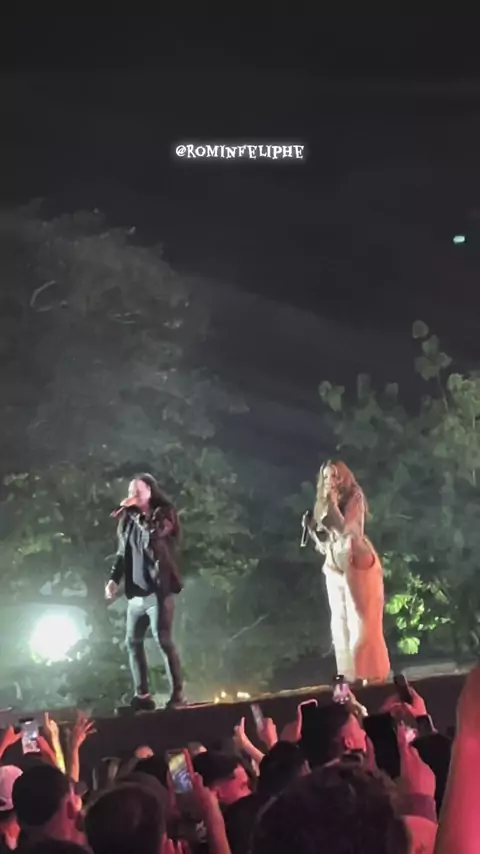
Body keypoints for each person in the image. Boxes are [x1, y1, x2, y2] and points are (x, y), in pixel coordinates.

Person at [304, 460, 390, 683]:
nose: (330, 481)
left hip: (355, 559)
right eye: (326, 476)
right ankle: (349, 677)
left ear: (344, 477)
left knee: (361, 620)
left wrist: (332, 507)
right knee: (339, 625)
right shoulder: (323, 504)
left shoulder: (354, 497)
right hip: (334, 564)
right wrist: (313, 532)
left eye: (335, 475)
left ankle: (371, 675)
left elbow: (349, 532)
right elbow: (327, 545)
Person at [105, 474, 184, 711]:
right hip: (136, 593)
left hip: (158, 591)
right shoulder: (128, 521)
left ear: (150, 491)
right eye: (131, 492)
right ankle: (142, 695)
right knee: (133, 642)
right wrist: (113, 579)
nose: (133, 496)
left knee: (163, 640)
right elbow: (122, 553)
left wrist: (134, 512)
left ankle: (178, 695)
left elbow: (153, 534)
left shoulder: (164, 514)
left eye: (138, 492)